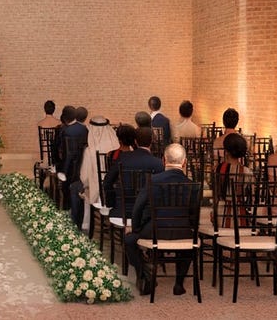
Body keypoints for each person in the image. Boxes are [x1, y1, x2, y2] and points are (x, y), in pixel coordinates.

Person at [124, 142, 201, 297]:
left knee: (129, 241)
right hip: (183, 233)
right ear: (184, 162)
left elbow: (138, 208)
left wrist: (136, 228)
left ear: (163, 160)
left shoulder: (152, 180)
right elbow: (194, 215)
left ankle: (145, 276)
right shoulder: (192, 185)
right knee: (191, 244)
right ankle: (179, 284)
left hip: (153, 231)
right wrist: (189, 227)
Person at [79, 115, 119, 230]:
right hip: (116, 193)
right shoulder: (117, 147)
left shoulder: (89, 151)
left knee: (85, 190)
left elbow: (84, 178)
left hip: (98, 195)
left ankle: (86, 225)